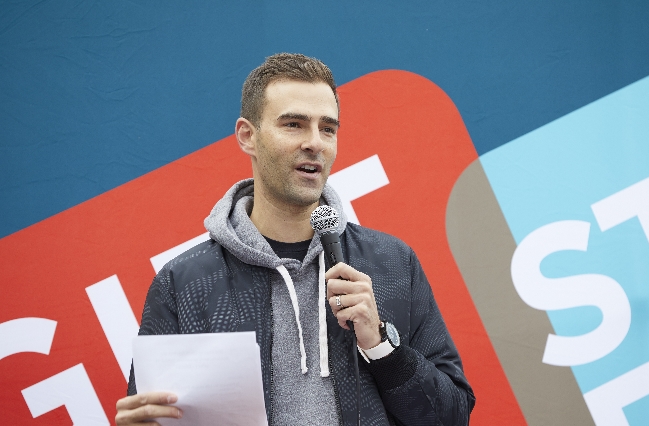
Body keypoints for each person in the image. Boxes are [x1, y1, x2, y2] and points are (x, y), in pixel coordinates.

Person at [115, 53, 475, 425]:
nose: (315, 143)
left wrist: (381, 344)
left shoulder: (392, 263)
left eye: (328, 128)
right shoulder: (183, 283)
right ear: (247, 136)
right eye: (294, 124)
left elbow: (452, 416)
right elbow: (155, 416)